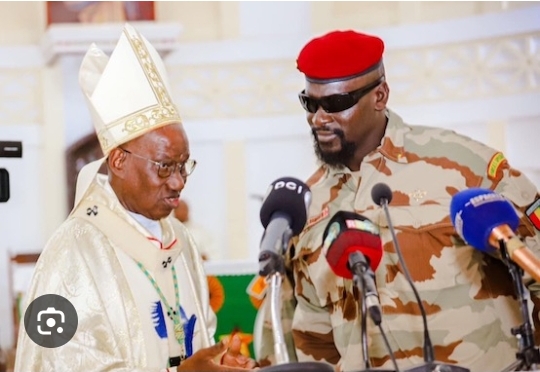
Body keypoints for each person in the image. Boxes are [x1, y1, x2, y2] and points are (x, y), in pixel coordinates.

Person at [256, 30, 540, 372]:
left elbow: (534, 268)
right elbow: (306, 335)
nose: (318, 118)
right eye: (310, 104)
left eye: (334, 104)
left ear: (380, 95)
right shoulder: (304, 207)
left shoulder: (464, 166)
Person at [15, 24, 256, 372]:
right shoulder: (72, 251)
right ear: (118, 161)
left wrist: (219, 361)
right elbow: (56, 362)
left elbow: (198, 337)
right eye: (163, 167)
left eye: (183, 166)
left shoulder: (179, 240)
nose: (178, 182)